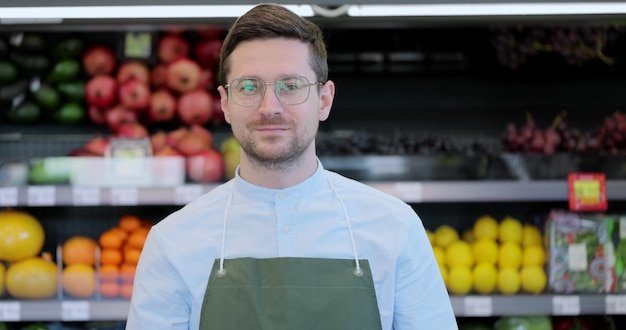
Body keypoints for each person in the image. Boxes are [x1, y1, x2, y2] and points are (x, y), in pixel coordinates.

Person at [126, 3, 456, 329]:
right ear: (225, 103)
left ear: (324, 100)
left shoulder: (395, 228)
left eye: (291, 86)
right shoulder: (172, 243)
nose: (270, 107)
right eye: (249, 87)